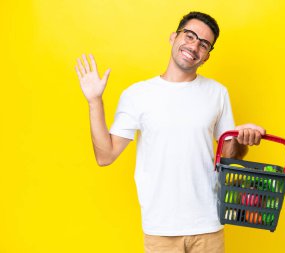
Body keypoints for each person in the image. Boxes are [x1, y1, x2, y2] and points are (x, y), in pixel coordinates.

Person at [75, 11, 265, 253]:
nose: (194, 46)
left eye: (204, 44)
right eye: (190, 36)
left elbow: (229, 158)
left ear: (206, 56)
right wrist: (95, 102)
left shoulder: (217, 93)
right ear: (174, 37)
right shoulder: (137, 95)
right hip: (160, 229)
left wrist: (241, 138)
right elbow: (105, 156)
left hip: (208, 225)